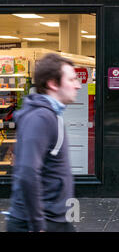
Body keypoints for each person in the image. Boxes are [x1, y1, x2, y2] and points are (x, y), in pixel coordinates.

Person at [7, 53, 81, 232]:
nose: (78, 85)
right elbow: (27, 172)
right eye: (71, 79)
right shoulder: (41, 117)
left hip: (53, 218)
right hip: (38, 222)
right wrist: (38, 224)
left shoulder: (49, 114)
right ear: (53, 84)